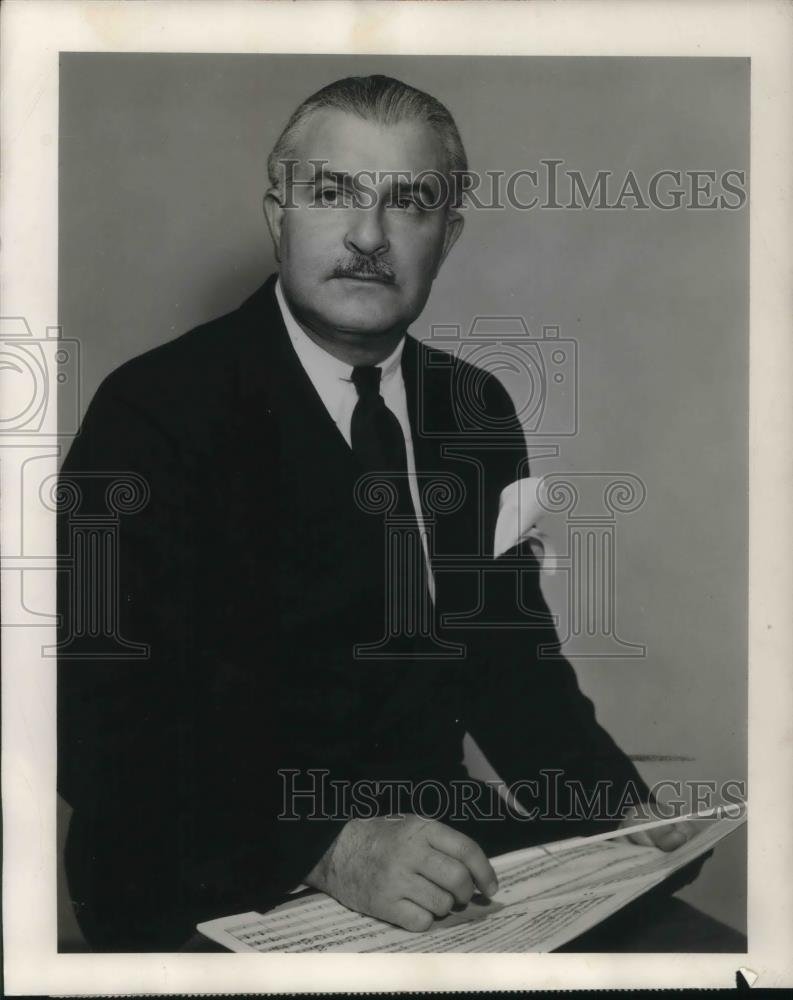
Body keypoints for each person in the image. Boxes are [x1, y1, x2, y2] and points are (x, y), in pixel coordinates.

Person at [58, 74, 702, 952]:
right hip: (195, 870)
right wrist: (330, 847)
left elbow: (509, 665)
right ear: (275, 212)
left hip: (429, 848)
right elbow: (95, 718)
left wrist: (612, 805)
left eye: (409, 203)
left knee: (692, 948)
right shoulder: (152, 412)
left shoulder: (471, 410)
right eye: (332, 193)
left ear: (448, 236)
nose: (367, 236)